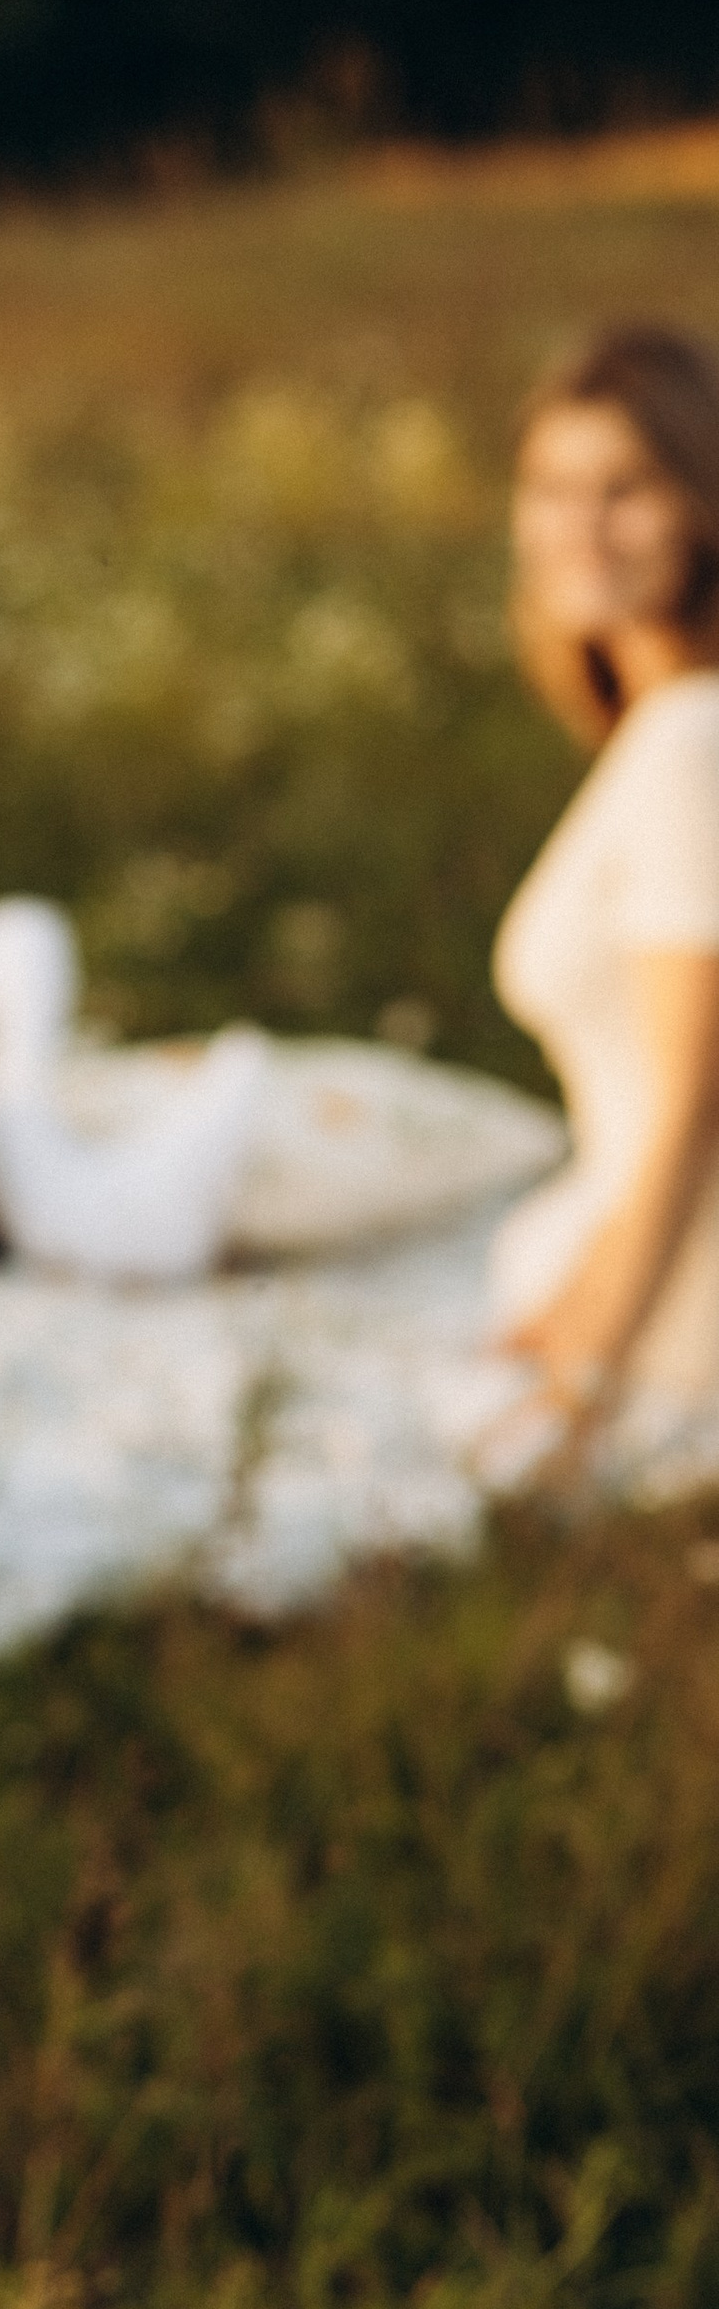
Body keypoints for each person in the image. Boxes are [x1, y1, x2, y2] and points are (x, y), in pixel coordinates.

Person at [489, 325, 719, 1466]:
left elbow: (691, 1106)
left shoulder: (690, 747)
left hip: (686, 1314)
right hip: (640, 1259)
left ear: (701, 504)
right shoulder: (659, 731)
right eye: (549, 488)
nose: (577, 527)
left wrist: (581, 1386)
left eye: (623, 487)